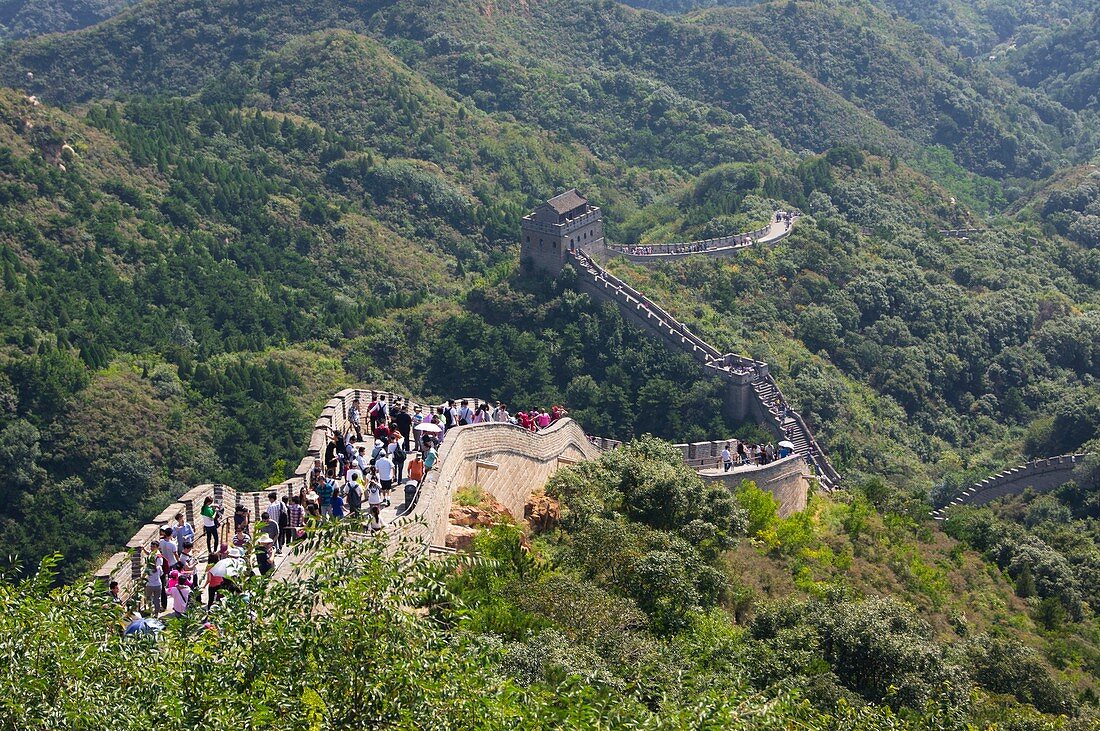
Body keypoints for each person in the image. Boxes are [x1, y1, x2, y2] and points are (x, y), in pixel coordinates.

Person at [143, 539, 163, 616]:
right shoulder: (154, 555)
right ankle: (155, 613)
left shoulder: (157, 558)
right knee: (156, 599)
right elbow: (149, 553)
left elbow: (155, 569)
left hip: (152, 584)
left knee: (151, 599)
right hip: (156, 584)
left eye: (153, 547)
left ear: (157, 547)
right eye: (151, 546)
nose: (151, 548)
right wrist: (144, 549)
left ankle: (152, 612)